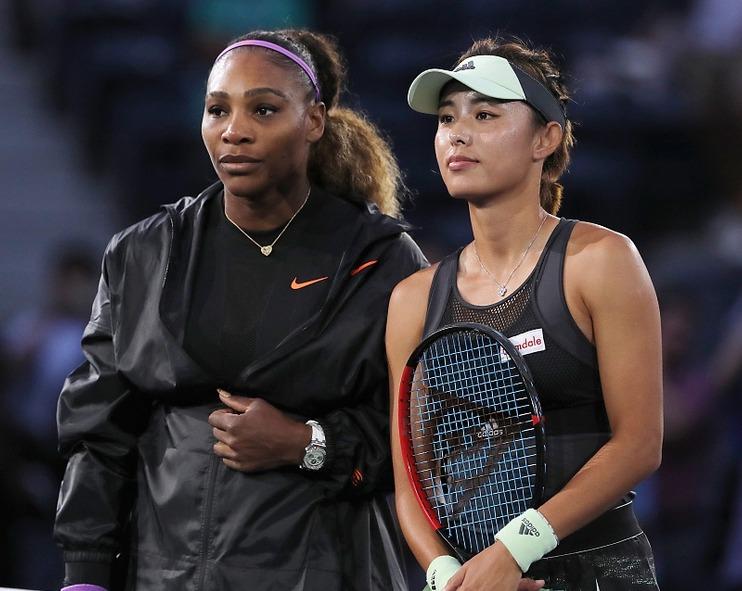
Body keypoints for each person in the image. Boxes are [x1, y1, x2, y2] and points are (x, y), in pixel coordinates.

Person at [54, 29, 427, 591]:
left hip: (327, 574)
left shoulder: (380, 259)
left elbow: (417, 437)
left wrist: (306, 443)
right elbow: (99, 430)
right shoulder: (143, 252)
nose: (234, 130)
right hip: (159, 577)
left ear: (314, 122)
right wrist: (85, 573)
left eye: (264, 110)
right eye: (217, 110)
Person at [386, 36, 663, 590]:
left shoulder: (601, 260)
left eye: (485, 114)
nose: (457, 133)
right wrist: (446, 577)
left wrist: (514, 550)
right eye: (446, 118)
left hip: (600, 571)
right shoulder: (412, 299)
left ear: (545, 139)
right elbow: (411, 479)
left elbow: (639, 444)